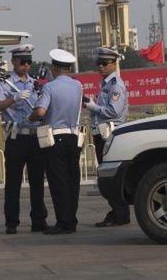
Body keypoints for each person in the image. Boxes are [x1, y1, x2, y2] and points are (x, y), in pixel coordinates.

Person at [0, 44, 48, 235]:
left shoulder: (35, 83)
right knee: (13, 183)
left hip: (34, 137)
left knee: (37, 182)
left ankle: (39, 220)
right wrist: (14, 98)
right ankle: (11, 222)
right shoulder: (5, 83)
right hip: (16, 137)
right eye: (22, 62)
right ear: (14, 61)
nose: (26, 66)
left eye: (29, 62)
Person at [28, 49, 83, 235]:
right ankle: (72, 219)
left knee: (58, 181)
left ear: (54, 67)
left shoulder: (50, 87)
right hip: (74, 136)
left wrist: (31, 116)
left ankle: (63, 221)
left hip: (55, 137)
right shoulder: (78, 86)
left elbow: (41, 112)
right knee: (72, 180)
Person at [83, 47, 130, 227]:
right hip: (102, 133)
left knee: (110, 176)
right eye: (98, 63)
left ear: (113, 64)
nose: (100, 67)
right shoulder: (105, 84)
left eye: (104, 63)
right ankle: (118, 212)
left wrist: (93, 106)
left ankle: (119, 213)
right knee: (107, 175)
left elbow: (113, 111)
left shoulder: (115, 85)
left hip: (109, 134)